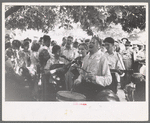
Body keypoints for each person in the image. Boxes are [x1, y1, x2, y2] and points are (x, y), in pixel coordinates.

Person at [74, 36, 112, 100]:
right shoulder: (86, 56)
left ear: (99, 46)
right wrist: (79, 79)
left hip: (96, 90)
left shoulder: (102, 58)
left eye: (93, 43)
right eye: (90, 42)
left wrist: (95, 78)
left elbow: (109, 79)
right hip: (84, 87)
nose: (90, 44)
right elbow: (82, 73)